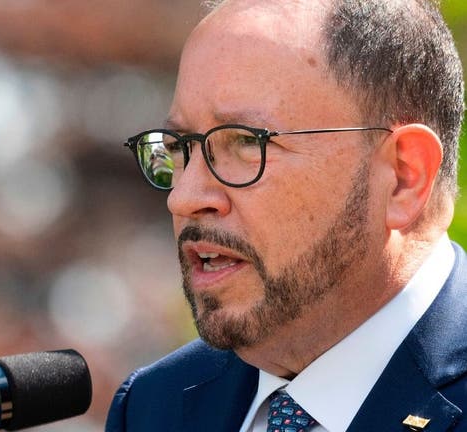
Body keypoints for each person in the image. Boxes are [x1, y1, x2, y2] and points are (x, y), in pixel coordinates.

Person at [106, 0, 466, 430]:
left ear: (404, 177)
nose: (183, 198)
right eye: (181, 147)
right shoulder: (153, 405)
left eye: (245, 143)